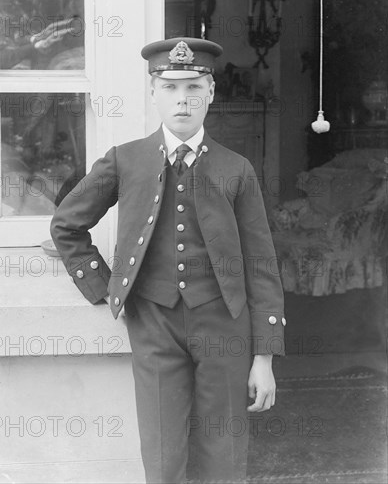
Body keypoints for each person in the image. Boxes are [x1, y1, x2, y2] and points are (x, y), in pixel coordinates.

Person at [50, 37, 286, 484]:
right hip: (154, 322)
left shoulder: (236, 169)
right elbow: (66, 225)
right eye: (171, 87)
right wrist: (105, 288)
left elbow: (261, 263)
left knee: (225, 451)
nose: (183, 100)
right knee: (162, 454)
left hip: (225, 324)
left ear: (211, 93)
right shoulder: (127, 160)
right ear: (153, 92)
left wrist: (264, 356)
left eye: (194, 87)